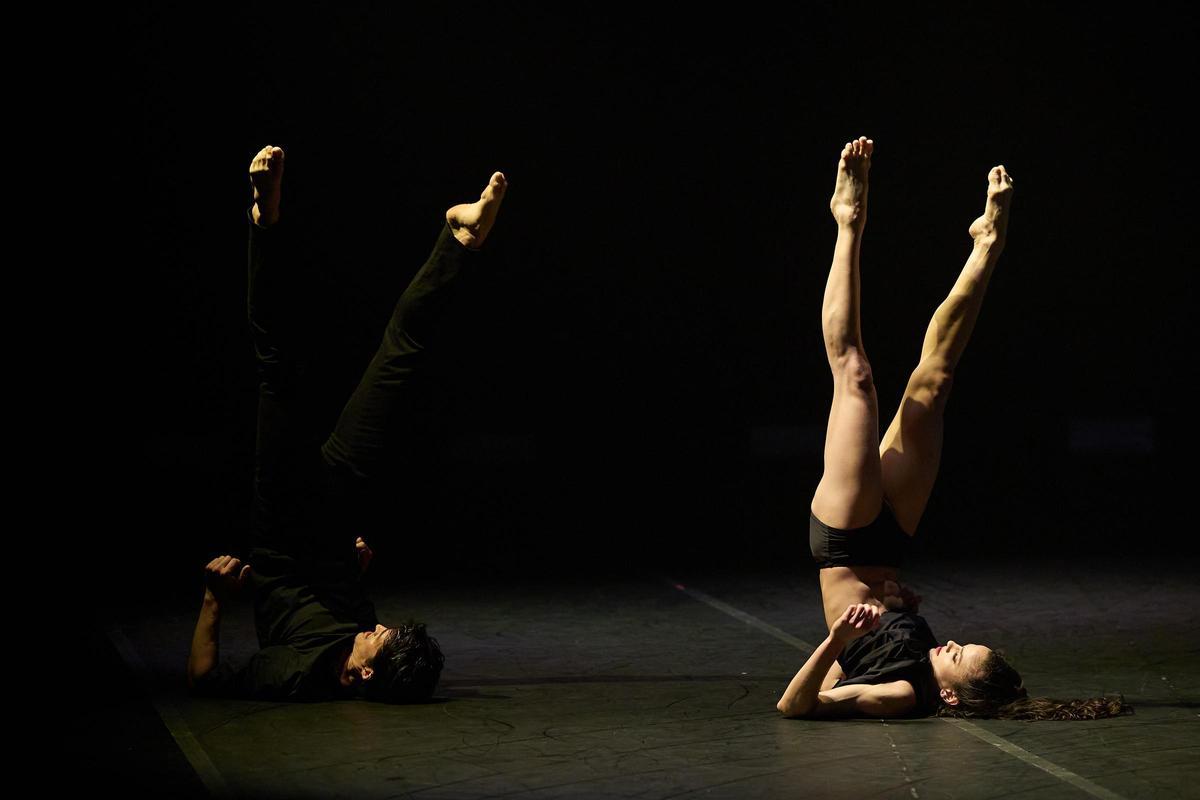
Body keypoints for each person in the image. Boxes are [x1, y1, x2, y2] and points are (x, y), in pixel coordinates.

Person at [776, 137, 1127, 720]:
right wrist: (898, 607)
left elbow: (795, 706)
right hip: (889, 541)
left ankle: (847, 221)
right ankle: (987, 245)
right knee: (933, 386)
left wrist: (839, 639)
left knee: (856, 376)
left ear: (948, 693)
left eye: (958, 656)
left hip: (842, 537)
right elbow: (894, 626)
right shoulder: (921, 657)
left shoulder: (900, 694)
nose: (953, 644)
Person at [186, 145, 507, 702]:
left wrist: (214, 598)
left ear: (361, 675)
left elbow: (205, 680)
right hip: (333, 513)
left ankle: (264, 220)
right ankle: (459, 238)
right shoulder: (364, 639)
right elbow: (342, 611)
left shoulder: (295, 671)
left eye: (378, 641)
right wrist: (349, 576)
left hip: (283, 516)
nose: (377, 628)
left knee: (277, 366)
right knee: (398, 361)